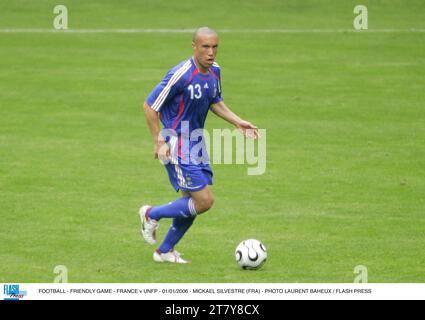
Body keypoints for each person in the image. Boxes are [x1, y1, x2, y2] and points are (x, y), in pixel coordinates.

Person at [141, 27, 259, 263]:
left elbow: (214, 100)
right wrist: (158, 140)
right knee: (204, 201)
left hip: (196, 142)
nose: (211, 52)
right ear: (194, 46)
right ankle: (150, 214)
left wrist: (238, 122)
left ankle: (164, 251)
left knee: (190, 202)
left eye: (215, 47)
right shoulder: (180, 74)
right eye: (205, 47)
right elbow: (149, 106)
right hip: (176, 140)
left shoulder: (215, 71)